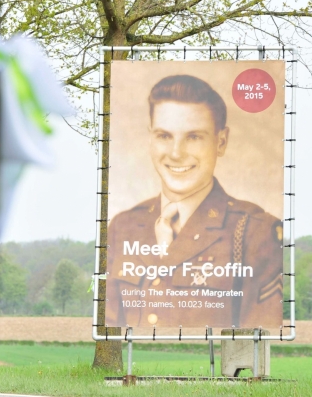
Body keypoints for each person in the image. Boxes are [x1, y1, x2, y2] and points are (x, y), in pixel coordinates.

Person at [106, 75, 283, 328]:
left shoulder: (255, 232)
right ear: (150, 138)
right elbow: (111, 333)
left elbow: (259, 335)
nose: (176, 153)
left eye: (193, 137)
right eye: (164, 136)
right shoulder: (124, 226)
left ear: (221, 142)